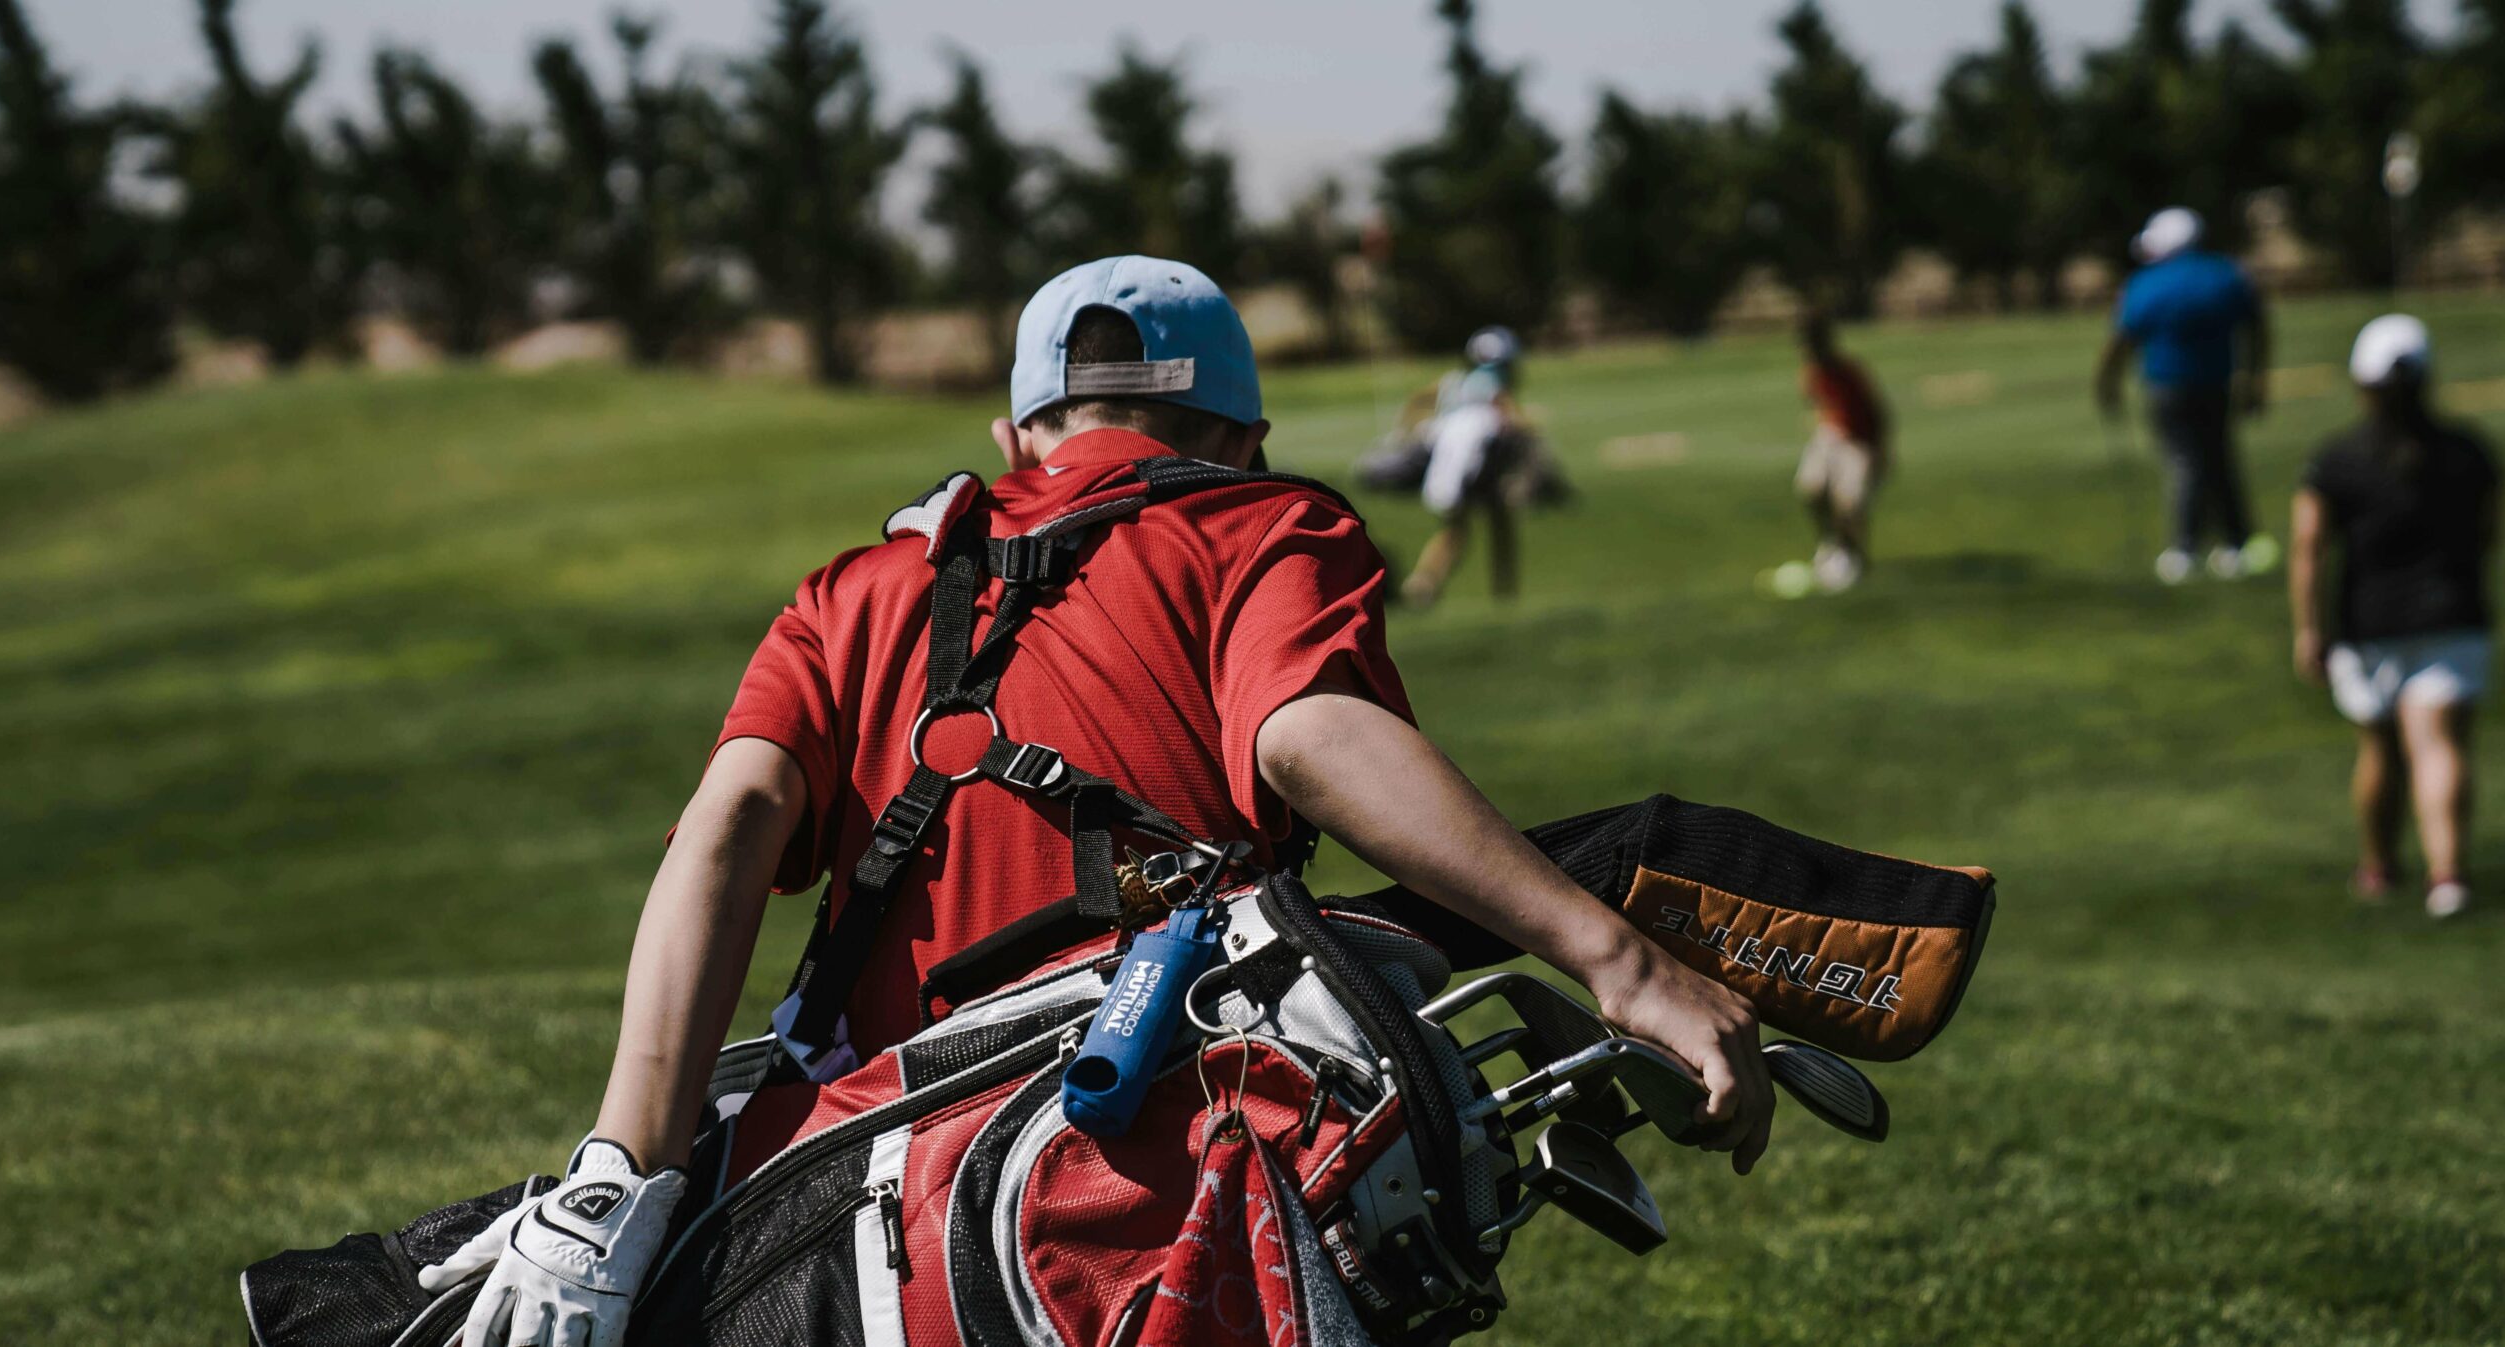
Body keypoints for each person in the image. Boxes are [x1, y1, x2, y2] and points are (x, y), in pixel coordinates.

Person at [434, 258, 1774, 1347]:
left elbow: (729, 826)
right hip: (1157, 1215)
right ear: (1243, 433)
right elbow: (1312, 735)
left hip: (859, 1243)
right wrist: (1617, 955)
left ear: (1017, 433)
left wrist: (618, 1166)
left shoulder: (853, 589)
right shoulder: (1262, 527)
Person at [2290, 314, 2503, 920]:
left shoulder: (2336, 460)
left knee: (2381, 748)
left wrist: (2309, 628)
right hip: (2456, 614)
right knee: (2439, 745)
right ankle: (2448, 877)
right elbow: (2490, 532)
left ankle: (2380, 866)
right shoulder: (2468, 451)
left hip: (2370, 624)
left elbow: (2309, 548)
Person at [2096, 206, 2278, 584]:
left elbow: (2121, 339)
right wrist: (2256, 380)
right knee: (2217, 458)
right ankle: (2236, 543)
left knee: (2187, 463)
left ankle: (2185, 549)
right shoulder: (2227, 274)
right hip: (2217, 384)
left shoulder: (2147, 282)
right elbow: (2258, 327)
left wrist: (2107, 384)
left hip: (2167, 386)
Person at [1404, 325, 1532, 608]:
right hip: (1473, 472)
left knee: (1457, 530)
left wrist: (1409, 430)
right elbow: (1516, 421)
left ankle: (1423, 583)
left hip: (1445, 470)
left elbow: (1417, 402)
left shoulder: (1454, 381)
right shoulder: (1494, 384)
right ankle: (1502, 593)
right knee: (1482, 525)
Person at [1776, 309, 1892, 596]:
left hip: (1859, 442)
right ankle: (1831, 545)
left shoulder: (1850, 371)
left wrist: (1880, 450)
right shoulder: (1811, 373)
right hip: (1829, 438)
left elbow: (1878, 413)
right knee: (1811, 489)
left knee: (1848, 504)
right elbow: (1816, 403)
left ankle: (1854, 558)